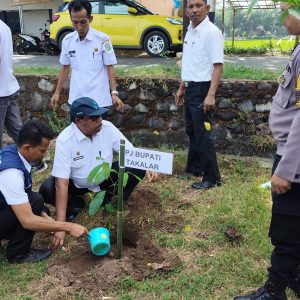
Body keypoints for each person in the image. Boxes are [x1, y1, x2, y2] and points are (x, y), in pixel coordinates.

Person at [234, 4, 300, 300]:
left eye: (286, 12)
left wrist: (286, 170)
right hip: (291, 153)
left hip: (294, 160)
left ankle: (274, 292)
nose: (283, 19)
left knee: (286, 228)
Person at [40, 97, 157, 250]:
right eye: (94, 117)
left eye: (100, 115)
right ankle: (75, 206)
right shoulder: (65, 140)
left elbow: (129, 152)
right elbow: (62, 184)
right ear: (78, 120)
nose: (99, 120)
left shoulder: (107, 128)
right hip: (77, 185)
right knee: (48, 188)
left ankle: (110, 198)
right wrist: (61, 226)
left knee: (135, 167)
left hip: (105, 178)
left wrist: (148, 164)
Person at [0, 120, 88, 264]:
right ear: (27, 147)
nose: (45, 154)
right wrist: (68, 227)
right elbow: (27, 221)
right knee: (35, 202)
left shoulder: (12, 152)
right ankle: (17, 254)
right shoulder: (11, 173)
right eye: (42, 150)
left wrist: (49, 222)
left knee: (39, 206)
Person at [175, 0, 223, 190]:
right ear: (186, 11)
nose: (194, 10)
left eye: (198, 5)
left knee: (203, 133)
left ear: (207, 9)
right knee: (192, 130)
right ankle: (194, 168)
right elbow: (190, 62)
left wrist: (211, 95)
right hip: (190, 88)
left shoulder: (212, 33)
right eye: (190, 6)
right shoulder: (190, 30)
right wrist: (182, 87)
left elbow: (218, 66)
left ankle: (212, 177)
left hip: (203, 89)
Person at [50, 0, 123, 112]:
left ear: (90, 19)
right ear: (71, 20)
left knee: (98, 129)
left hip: (99, 101)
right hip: (76, 99)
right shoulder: (67, 41)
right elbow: (65, 68)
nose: (79, 27)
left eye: (83, 22)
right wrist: (57, 92)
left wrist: (114, 93)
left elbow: (109, 67)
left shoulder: (103, 39)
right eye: (75, 22)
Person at [0, 19, 22, 149]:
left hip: (2, 90)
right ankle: (35, 159)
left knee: (18, 131)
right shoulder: (4, 26)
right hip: (8, 86)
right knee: (18, 131)